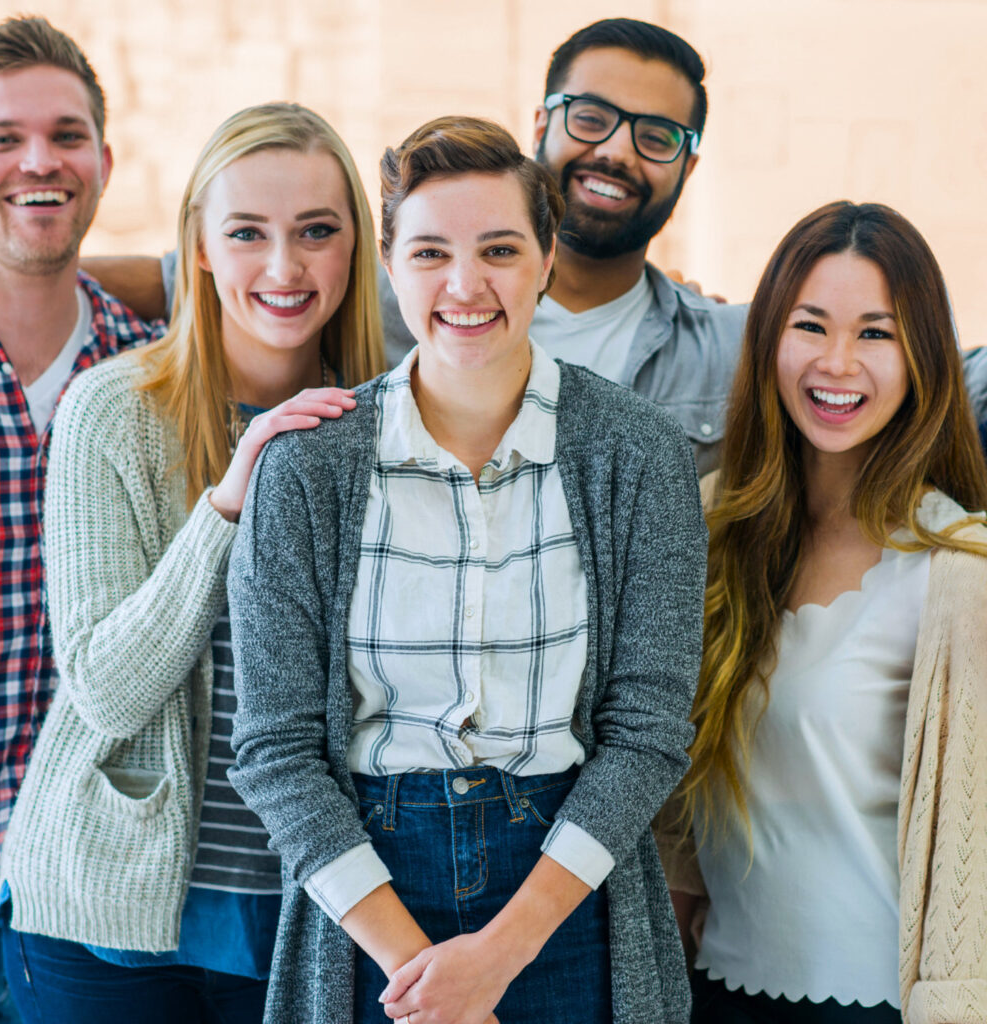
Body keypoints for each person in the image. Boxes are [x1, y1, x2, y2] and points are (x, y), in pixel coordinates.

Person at [227, 115, 707, 1024]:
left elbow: (647, 732)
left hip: (566, 891)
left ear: (546, 256)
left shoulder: (638, 453)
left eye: (498, 249)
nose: (464, 284)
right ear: (390, 263)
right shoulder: (308, 466)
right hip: (366, 898)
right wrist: (426, 978)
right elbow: (275, 750)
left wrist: (499, 956)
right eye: (430, 252)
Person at [0, 101, 383, 1023]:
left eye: (316, 232)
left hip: (316, 911)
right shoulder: (113, 412)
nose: (284, 268)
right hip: (106, 921)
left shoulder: (390, 424)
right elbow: (107, 692)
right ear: (200, 247)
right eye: (246, 232)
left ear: (355, 250)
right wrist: (227, 502)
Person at [83, 18, 748, 474]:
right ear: (542, 123)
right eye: (591, 118)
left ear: (688, 165)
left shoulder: (722, 349)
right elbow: (193, 279)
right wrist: (8, 273)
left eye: (656, 136)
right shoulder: (377, 291)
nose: (614, 151)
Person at [657, 202, 987, 1024]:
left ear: (924, 361)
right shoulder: (708, 529)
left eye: (876, 333)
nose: (838, 363)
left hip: (888, 1004)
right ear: (768, 337)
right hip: (714, 988)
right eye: (811, 325)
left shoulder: (961, 569)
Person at [0, 16, 158, 1022]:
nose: (40, 160)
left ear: (104, 160)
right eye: (1, 137)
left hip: (84, 911)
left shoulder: (154, 375)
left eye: (66, 134)